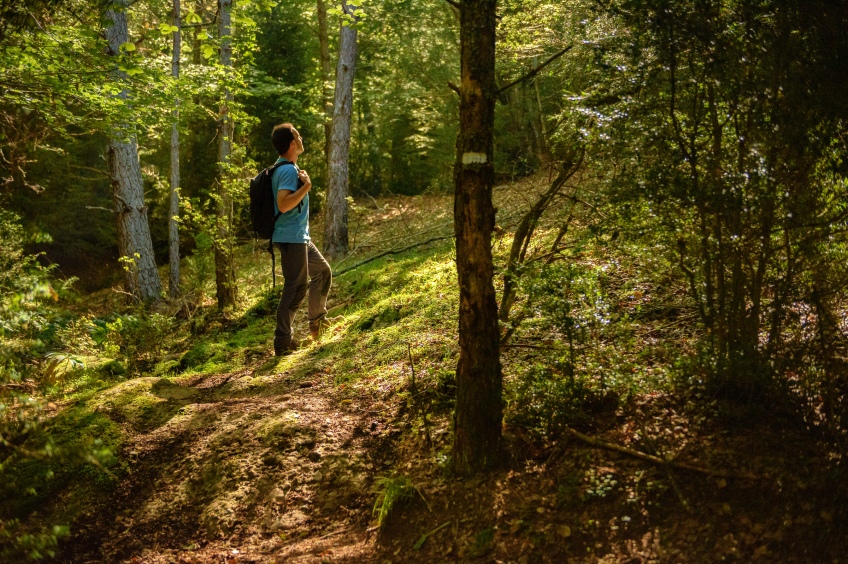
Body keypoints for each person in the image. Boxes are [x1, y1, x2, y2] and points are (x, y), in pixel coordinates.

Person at [270, 123, 333, 356]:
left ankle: (317, 323)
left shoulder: (288, 168)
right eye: (298, 134)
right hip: (291, 238)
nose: (301, 136)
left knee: (322, 272)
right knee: (295, 287)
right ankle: (283, 341)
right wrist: (306, 186)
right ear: (292, 143)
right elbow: (284, 204)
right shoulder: (286, 170)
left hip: (299, 237)